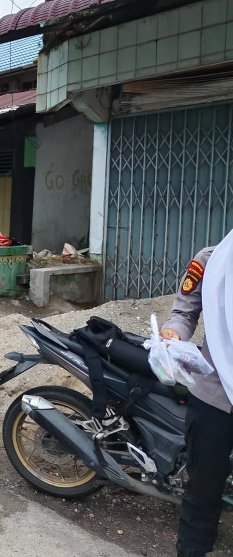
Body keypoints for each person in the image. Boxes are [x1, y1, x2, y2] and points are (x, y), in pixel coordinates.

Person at [162, 234, 233, 557]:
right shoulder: (213, 259)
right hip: (215, 397)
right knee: (203, 491)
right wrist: (173, 332)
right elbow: (184, 312)